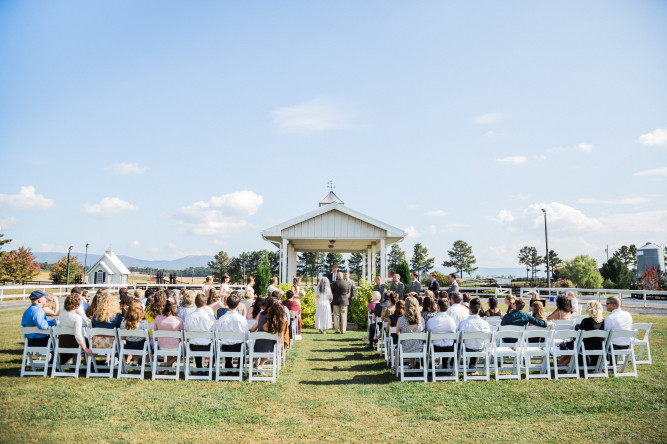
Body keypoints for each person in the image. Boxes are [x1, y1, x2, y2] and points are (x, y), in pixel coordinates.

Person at [559, 301, 605, 367]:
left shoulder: (586, 321)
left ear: (591, 309)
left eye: (588, 307)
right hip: (598, 346)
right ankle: (563, 363)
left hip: (584, 346)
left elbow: (578, 335)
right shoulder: (602, 322)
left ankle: (561, 363)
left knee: (568, 345)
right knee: (573, 344)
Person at [392, 296, 425, 373]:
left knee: (398, 347)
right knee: (412, 341)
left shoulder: (400, 320)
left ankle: (395, 367)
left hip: (404, 348)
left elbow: (397, 333)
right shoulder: (422, 320)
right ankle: (412, 365)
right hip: (419, 348)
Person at [457, 298, 491, 373]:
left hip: (466, 348)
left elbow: (459, 338)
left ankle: (454, 364)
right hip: (480, 348)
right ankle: (472, 366)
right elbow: (487, 339)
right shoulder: (485, 324)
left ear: (469, 310)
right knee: (477, 343)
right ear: (479, 310)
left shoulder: (463, 323)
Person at [215, 292, 247, 371]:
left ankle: (228, 364)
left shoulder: (222, 318)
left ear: (227, 304)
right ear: (238, 305)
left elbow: (218, 333)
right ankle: (239, 367)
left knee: (227, 342)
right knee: (244, 345)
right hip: (238, 346)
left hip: (225, 346)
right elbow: (245, 335)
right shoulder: (242, 319)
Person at [58, 293, 93, 363]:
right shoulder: (77, 318)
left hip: (62, 342)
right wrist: (85, 349)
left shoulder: (62, 314)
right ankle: (86, 364)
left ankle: (74, 365)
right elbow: (78, 335)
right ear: (78, 304)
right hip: (74, 343)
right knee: (89, 342)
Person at [184, 293, 215, 369]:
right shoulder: (210, 318)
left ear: (195, 303)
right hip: (207, 346)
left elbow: (186, 330)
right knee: (215, 348)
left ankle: (199, 367)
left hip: (193, 346)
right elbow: (214, 332)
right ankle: (208, 368)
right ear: (205, 303)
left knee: (196, 341)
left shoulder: (188, 317)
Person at [254, 301, 286, 369]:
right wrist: (278, 346)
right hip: (269, 349)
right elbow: (279, 336)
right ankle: (260, 365)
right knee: (270, 343)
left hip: (257, 346)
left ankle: (255, 361)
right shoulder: (279, 322)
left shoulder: (264, 317)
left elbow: (257, 327)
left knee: (263, 342)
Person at [154, 300, 184, 366]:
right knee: (185, 352)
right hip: (175, 347)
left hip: (161, 346)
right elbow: (182, 336)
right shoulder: (179, 320)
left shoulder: (157, 318)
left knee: (171, 345)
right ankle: (168, 364)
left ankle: (167, 366)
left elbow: (155, 332)